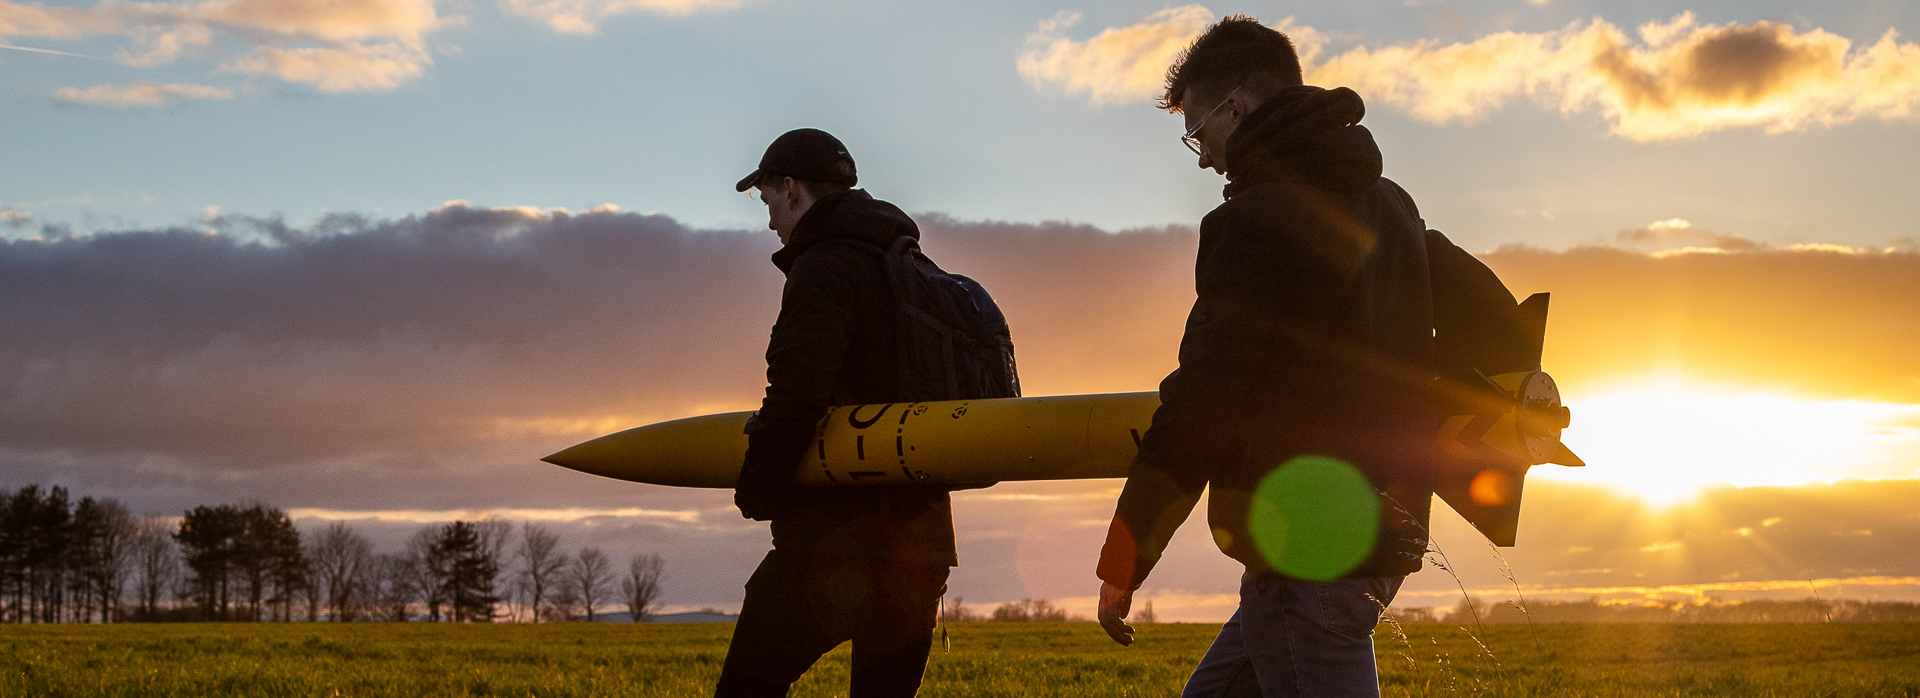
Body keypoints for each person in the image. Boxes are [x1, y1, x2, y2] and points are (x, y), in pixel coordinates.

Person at [1093, 16, 1440, 698]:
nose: (1201, 156)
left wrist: (1125, 558)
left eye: (1198, 131)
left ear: (1238, 107)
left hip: (1307, 550)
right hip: (1380, 533)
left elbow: (1203, 399)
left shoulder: (1252, 223)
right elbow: (1470, 303)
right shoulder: (1392, 206)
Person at [715, 128, 956, 698]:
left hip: (831, 544)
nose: (770, 219)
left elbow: (798, 393)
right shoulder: (908, 264)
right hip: (921, 548)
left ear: (793, 189)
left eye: (769, 200)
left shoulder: (823, 268)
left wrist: (758, 488)